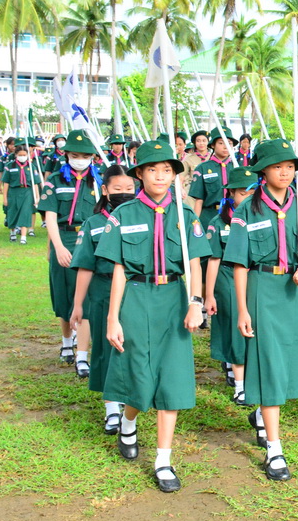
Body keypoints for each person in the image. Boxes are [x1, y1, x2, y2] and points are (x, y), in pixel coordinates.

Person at [98, 136, 210, 492]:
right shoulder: (123, 215)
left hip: (174, 297)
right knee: (139, 377)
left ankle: (163, 460)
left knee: (171, 379)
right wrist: (113, 318)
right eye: (152, 170)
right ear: (140, 174)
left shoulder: (184, 214)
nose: (160, 176)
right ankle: (128, 422)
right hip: (136, 297)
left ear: (175, 174)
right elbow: (119, 270)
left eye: (166, 170)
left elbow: (195, 262)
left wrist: (195, 302)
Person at [226, 138, 298, 481]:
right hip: (263, 290)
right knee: (268, 363)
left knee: (288, 359)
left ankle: (260, 414)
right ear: (263, 171)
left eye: (290, 167)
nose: (285, 172)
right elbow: (239, 264)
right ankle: (274, 448)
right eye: (277, 166)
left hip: (293, 292)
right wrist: (242, 309)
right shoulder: (247, 210)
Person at [69, 164, 136, 432]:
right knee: (107, 349)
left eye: (130, 188)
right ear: (105, 190)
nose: (124, 193)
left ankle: (130, 401)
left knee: (132, 348)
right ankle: (112, 409)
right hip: (103, 291)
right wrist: (78, 304)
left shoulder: (142, 218)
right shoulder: (94, 224)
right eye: (118, 189)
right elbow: (85, 266)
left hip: (135, 291)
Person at [37, 129, 102, 372]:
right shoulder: (55, 180)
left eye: (85, 156)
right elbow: (50, 217)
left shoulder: (99, 181)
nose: (80, 160)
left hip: (91, 240)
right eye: (75, 155)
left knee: (87, 296)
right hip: (64, 237)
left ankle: (82, 353)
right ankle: (67, 342)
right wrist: (58, 247)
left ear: (92, 157)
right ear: (66, 155)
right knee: (64, 294)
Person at [203, 166, 257, 400]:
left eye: (252, 193)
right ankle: (240, 386)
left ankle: (249, 373)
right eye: (243, 193)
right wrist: (209, 295)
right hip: (227, 277)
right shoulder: (218, 222)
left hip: (254, 277)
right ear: (231, 194)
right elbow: (213, 260)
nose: (248, 198)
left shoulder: (260, 217)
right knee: (236, 328)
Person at [187, 128, 238, 230]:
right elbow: (199, 200)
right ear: (213, 145)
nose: (225, 147)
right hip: (209, 216)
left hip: (233, 215)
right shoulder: (203, 168)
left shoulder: (236, 167)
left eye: (229, 143)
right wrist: (195, 225)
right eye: (221, 143)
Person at [0, 140, 36, 244]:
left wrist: (37, 197)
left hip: (27, 191)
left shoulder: (31, 166)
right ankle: (13, 232)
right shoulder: (10, 166)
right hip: (13, 191)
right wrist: (5, 198)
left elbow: (35, 183)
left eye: (24, 155)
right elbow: (6, 182)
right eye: (20, 155)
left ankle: (23, 237)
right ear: (16, 155)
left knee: (26, 212)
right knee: (13, 212)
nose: (22, 157)